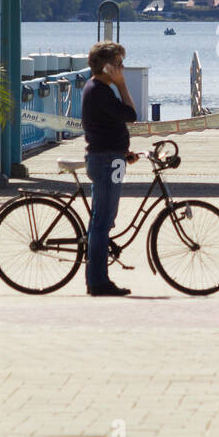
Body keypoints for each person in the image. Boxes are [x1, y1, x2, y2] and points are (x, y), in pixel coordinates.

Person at [81, 41, 138, 296]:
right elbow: (130, 114)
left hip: (111, 158)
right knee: (102, 222)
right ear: (106, 67)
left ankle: (97, 278)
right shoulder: (101, 91)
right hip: (106, 161)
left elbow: (110, 125)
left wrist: (123, 153)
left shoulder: (99, 89)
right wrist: (123, 85)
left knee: (101, 221)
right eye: (118, 64)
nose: (122, 68)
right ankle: (98, 282)